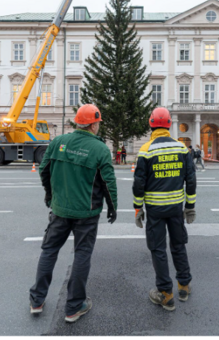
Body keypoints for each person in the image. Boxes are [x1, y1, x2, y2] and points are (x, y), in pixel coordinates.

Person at [29, 104, 118, 324]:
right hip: (86, 214)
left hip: (59, 209)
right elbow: (109, 183)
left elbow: (44, 170)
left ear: (78, 122)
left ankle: (36, 301)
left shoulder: (59, 142)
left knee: (49, 250)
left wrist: (51, 195)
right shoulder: (99, 149)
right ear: (94, 124)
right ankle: (74, 306)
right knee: (82, 254)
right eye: (98, 123)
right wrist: (112, 207)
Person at [133, 107, 196, 312]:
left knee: (158, 249)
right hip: (176, 208)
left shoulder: (146, 150)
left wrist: (137, 208)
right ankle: (184, 286)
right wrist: (190, 206)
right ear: (169, 124)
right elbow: (191, 180)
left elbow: (138, 183)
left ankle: (166, 294)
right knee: (178, 245)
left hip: (155, 210)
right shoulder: (181, 148)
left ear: (151, 124)